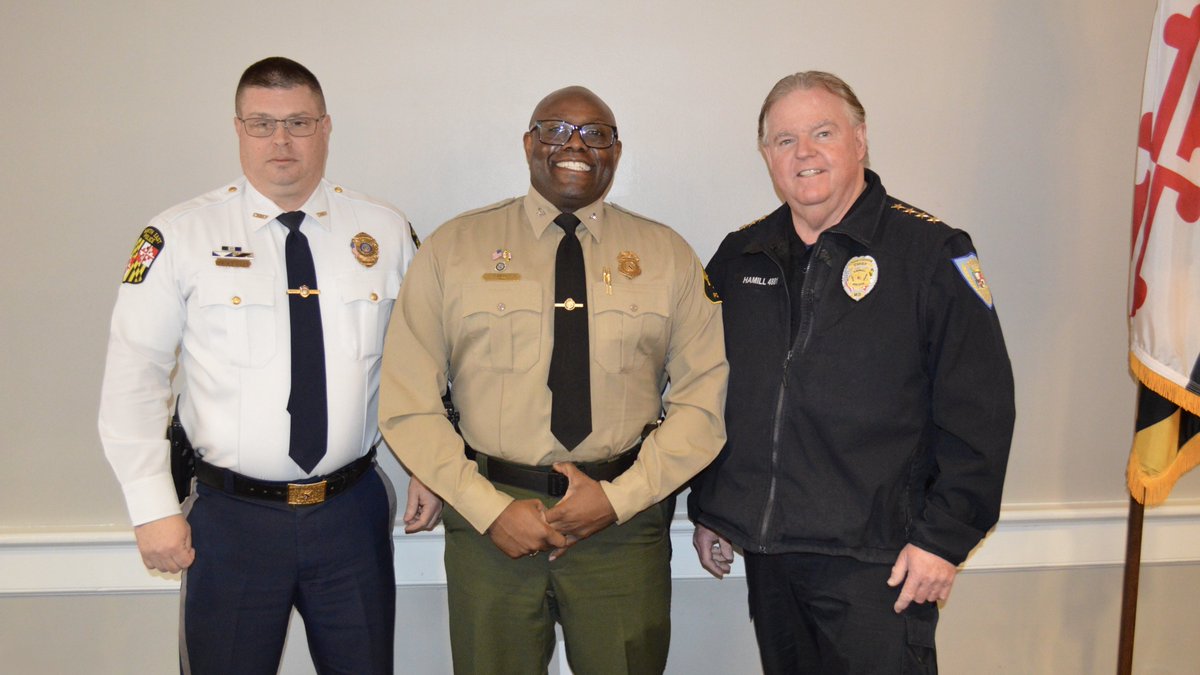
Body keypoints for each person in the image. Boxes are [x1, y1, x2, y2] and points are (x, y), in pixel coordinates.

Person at [98, 56, 441, 674]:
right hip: (231, 523)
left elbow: (421, 362)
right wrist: (151, 507)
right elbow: (134, 377)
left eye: (299, 123)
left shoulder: (385, 233)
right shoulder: (177, 235)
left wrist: (428, 464)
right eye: (262, 124)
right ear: (238, 129)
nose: (281, 141)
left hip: (351, 514)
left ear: (326, 128)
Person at [379, 85, 728, 674]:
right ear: (528, 144)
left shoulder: (667, 255)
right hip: (490, 517)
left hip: (621, 524)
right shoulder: (452, 249)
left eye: (595, 133)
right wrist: (488, 509)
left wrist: (616, 502)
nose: (574, 145)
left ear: (616, 152)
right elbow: (408, 401)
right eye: (555, 129)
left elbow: (703, 401)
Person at [688, 71, 1015, 674]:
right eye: (784, 140)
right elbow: (708, 390)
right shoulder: (740, 257)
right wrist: (714, 504)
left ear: (860, 140)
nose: (803, 153)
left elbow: (982, 411)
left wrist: (944, 539)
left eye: (822, 132)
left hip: (882, 561)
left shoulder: (931, 254)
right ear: (766, 155)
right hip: (772, 556)